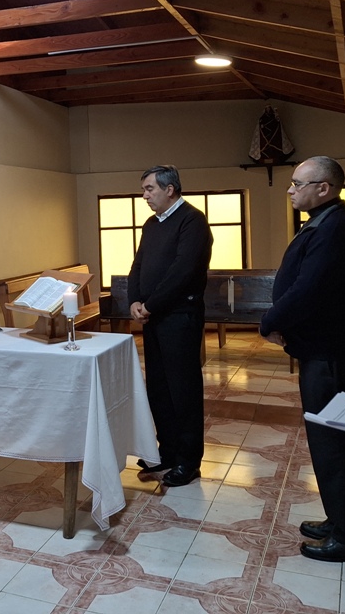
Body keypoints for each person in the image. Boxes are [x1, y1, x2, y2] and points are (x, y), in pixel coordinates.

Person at [260, 156, 345, 563]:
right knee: (331, 443)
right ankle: (341, 519)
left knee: (334, 445)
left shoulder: (335, 228)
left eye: (298, 183)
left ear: (323, 188)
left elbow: (309, 289)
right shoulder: (327, 220)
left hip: (332, 353)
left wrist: (270, 321)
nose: (290, 190)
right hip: (326, 350)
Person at [127, 166, 213, 487]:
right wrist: (135, 300)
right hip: (152, 316)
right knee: (159, 389)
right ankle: (167, 451)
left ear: (170, 189)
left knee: (183, 390)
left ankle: (188, 461)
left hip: (179, 317)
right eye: (144, 189)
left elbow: (183, 271)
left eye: (149, 189)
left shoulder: (192, 220)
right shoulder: (152, 224)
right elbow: (138, 265)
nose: (145, 195)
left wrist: (150, 305)